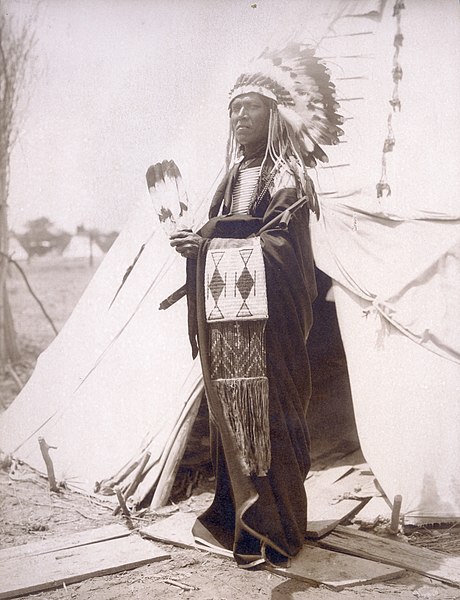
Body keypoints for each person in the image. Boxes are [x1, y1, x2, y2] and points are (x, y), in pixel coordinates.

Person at [170, 43, 342, 568]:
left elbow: (283, 253)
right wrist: (195, 245)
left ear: (275, 116)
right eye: (234, 109)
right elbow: (225, 233)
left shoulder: (288, 179)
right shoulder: (232, 177)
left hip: (272, 330)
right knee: (236, 423)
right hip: (233, 327)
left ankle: (278, 530)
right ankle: (239, 524)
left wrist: (211, 246)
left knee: (271, 422)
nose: (240, 117)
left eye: (251, 108)